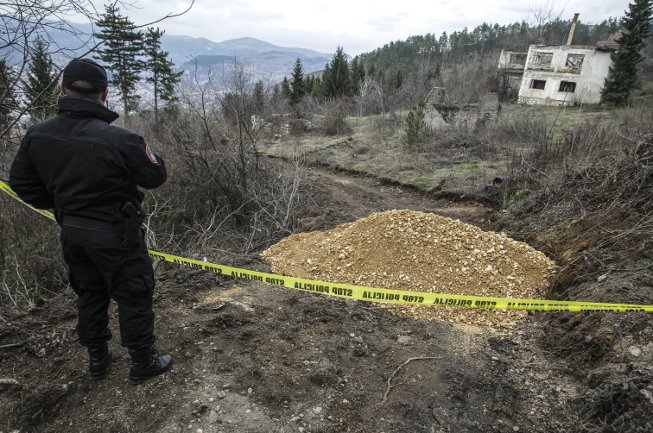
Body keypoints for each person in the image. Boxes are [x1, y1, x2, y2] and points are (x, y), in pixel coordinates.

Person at [9, 58, 172, 385]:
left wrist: (61, 205)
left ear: (63, 88)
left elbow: (21, 184)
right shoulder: (121, 140)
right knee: (134, 293)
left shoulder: (36, 136)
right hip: (117, 233)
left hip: (72, 231)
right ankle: (143, 363)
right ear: (104, 93)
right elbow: (155, 177)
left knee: (89, 293)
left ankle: (98, 359)